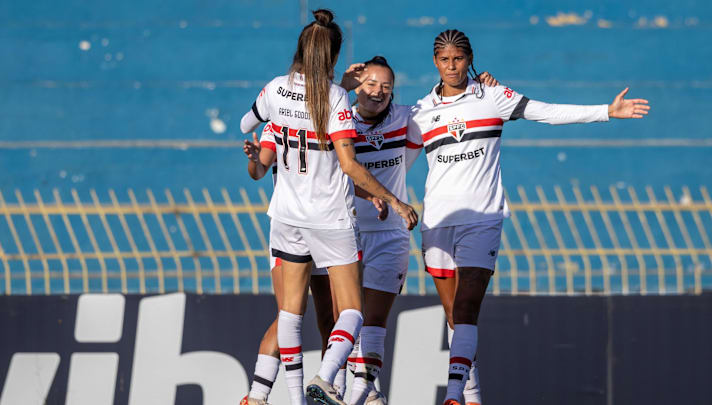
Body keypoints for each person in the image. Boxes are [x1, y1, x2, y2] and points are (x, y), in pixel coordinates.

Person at [406, 29, 650, 405]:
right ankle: (472, 396)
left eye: (458, 59)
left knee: (468, 306)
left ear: (470, 58)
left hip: (483, 218)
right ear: (435, 63)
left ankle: (453, 393)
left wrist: (606, 111)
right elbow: (395, 160)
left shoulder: (493, 96)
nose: (452, 66)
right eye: (444, 60)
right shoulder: (421, 112)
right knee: (455, 315)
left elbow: (546, 112)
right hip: (437, 221)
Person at [240, 9, 418, 405]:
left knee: (292, 314)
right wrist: (392, 198)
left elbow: (246, 127)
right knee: (350, 311)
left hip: (286, 218)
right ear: (335, 57)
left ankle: (288, 397)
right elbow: (348, 164)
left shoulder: (275, 93)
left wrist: (257, 149)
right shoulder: (337, 99)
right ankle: (323, 378)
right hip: (330, 220)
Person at [337, 57, 498, 405]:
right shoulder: (341, 120)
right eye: (370, 85)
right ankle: (361, 393)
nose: (378, 92)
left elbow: (450, 104)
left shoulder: (408, 116)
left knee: (376, 319)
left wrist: (477, 88)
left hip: (390, 232)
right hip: (344, 229)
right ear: (357, 87)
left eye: (386, 87)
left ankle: (361, 395)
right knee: (345, 319)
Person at [240, 123, 340, 405]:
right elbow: (259, 172)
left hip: (328, 227)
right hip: (289, 230)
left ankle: (330, 388)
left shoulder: (334, 116)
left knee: (331, 318)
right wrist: (253, 159)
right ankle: (257, 396)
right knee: (288, 313)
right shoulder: (279, 122)